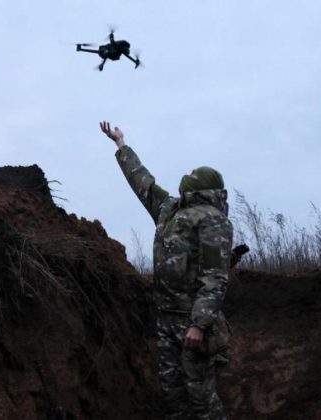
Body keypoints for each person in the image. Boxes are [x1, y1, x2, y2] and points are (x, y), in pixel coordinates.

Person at [99, 121, 233, 420]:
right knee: (173, 396)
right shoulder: (170, 209)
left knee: (202, 398)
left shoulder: (213, 221)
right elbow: (142, 182)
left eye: (193, 176)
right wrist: (121, 144)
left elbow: (216, 277)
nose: (187, 176)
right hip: (166, 321)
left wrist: (198, 324)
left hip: (192, 324)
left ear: (204, 186)